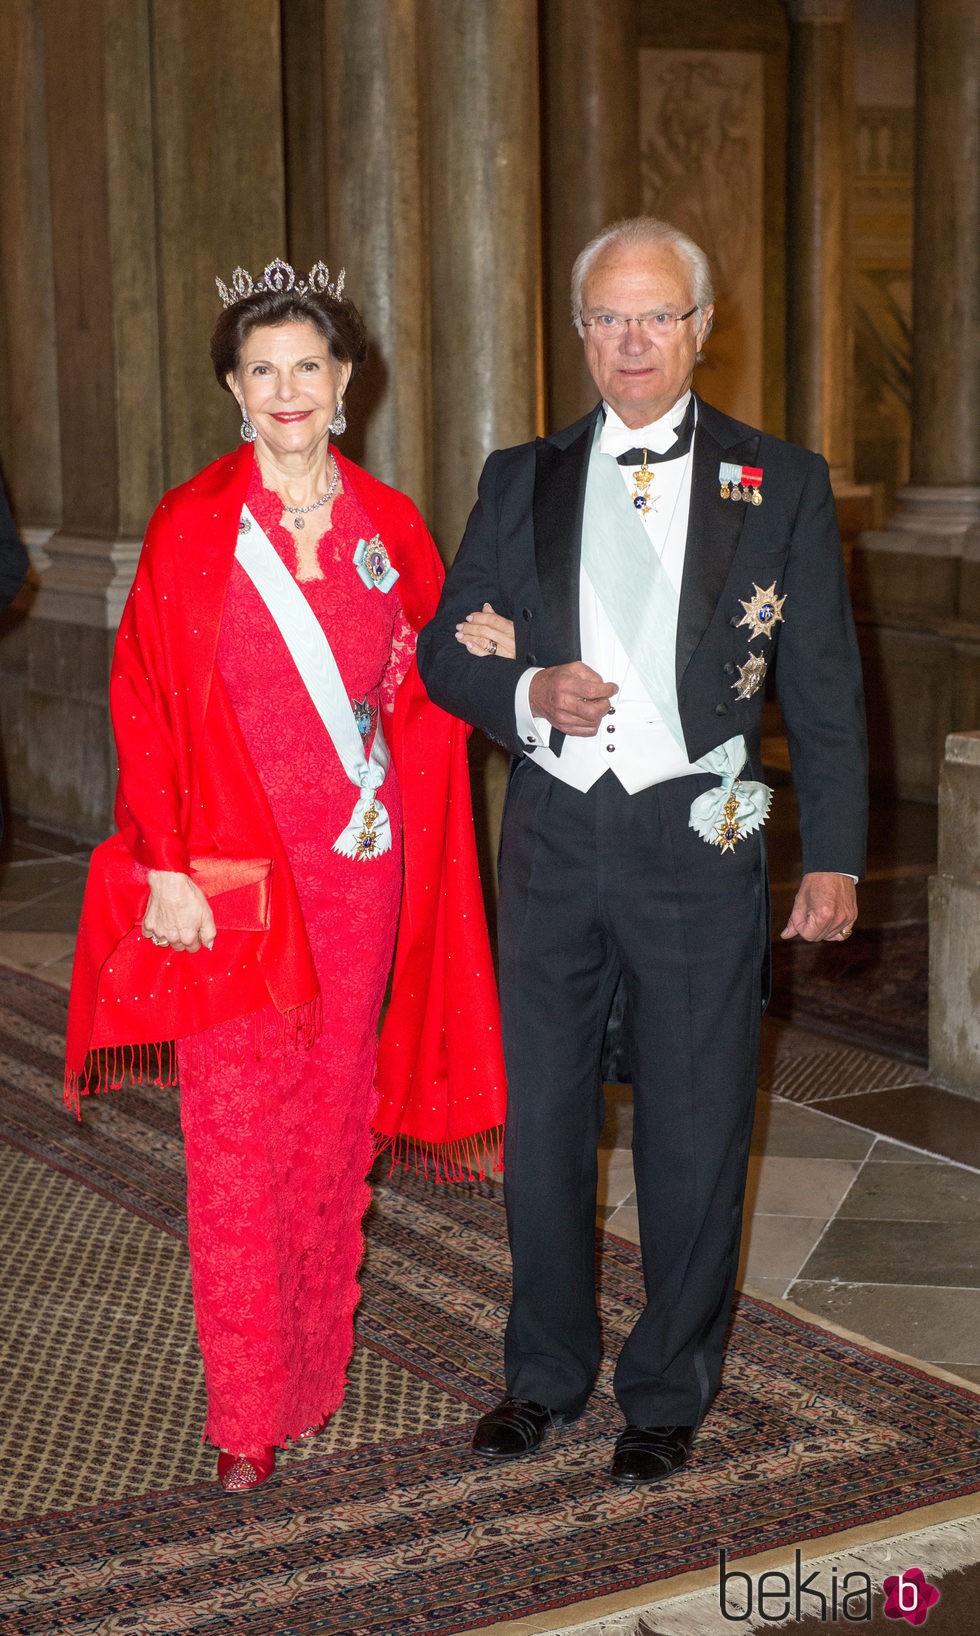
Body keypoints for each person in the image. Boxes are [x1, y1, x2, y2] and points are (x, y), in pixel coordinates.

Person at [417, 217, 867, 1487]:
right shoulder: (519, 477)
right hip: (554, 837)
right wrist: (523, 694)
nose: (629, 340)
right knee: (547, 1119)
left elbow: (824, 679)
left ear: (698, 329)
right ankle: (543, 1376)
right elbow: (447, 649)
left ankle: (664, 1391)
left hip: (695, 837)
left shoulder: (777, 479)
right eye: (607, 318)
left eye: (654, 316)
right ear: (580, 331)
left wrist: (831, 851)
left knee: (692, 1124)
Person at [66, 259, 505, 1491]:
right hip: (229, 882)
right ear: (232, 391)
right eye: (261, 371)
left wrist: (478, 651)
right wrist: (159, 862)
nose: (286, 389)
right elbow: (143, 700)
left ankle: (310, 1374)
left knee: (328, 1128)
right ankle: (243, 1407)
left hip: (358, 876)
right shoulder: (193, 525)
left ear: (345, 380)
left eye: (306, 365)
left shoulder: (389, 523)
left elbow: (417, 694)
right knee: (233, 1138)